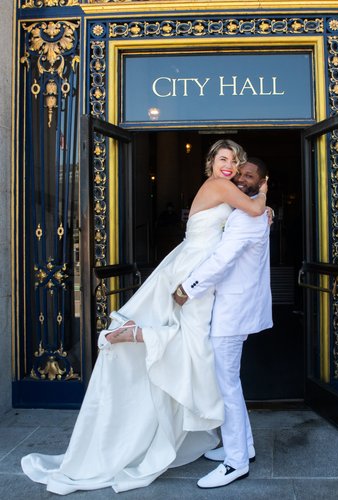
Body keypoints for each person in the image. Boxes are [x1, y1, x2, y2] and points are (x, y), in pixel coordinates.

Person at [21, 140, 268, 495]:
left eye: (236, 161)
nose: (230, 167)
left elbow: (247, 217)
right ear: (211, 163)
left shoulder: (223, 189)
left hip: (190, 269)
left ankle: (238, 444)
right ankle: (135, 335)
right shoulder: (220, 187)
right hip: (194, 275)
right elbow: (254, 211)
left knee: (201, 353)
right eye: (223, 159)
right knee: (195, 350)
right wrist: (264, 197)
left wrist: (260, 204)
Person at [173, 157, 273, 488]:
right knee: (231, 383)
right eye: (240, 173)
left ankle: (235, 462)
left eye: (249, 175)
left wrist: (187, 287)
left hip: (232, 312)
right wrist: (263, 201)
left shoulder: (247, 216)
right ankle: (245, 446)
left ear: (262, 181)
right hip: (239, 308)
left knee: (227, 386)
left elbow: (222, 260)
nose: (241, 178)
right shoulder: (252, 208)